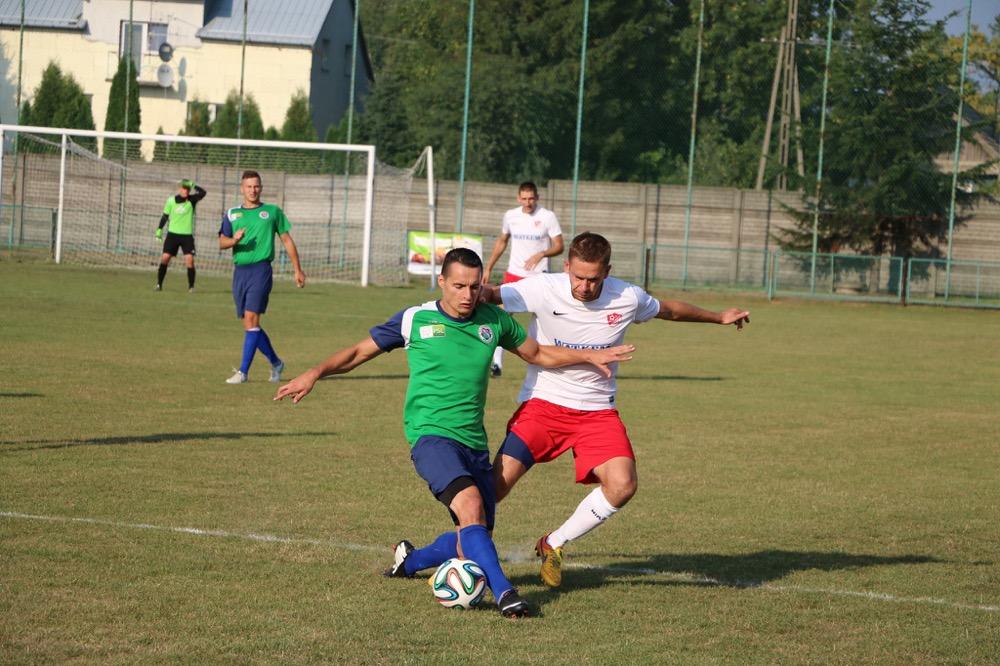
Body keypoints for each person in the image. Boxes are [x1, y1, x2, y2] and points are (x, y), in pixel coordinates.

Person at [274, 248, 633, 618]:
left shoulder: (493, 320)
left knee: (471, 540)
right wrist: (316, 372)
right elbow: (357, 352)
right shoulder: (416, 319)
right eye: (459, 285)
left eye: (475, 287)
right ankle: (506, 594)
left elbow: (538, 354)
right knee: (471, 508)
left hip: (474, 443)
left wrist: (588, 356)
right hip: (430, 437)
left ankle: (410, 562)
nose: (467, 295)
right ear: (441, 281)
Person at [481, 231, 750, 589]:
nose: (585, 286)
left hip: (597, 411)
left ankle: (554, 543)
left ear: (607, 271)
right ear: (566, 267)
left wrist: (718, 317)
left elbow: (668, 310)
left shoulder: (627, 296)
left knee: (622, 485)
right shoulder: (543, 287)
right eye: (578, 277)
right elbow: (490, 295)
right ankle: (459, 554)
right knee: (493, 487)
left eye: (594, 278)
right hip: (543, 404)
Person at [218, 170, 306, 385]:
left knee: (251, 320)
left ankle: (243, 372)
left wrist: (297, 269)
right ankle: (276, 363)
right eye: (249, 186)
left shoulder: (272, 212)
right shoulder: (232, 214)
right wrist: (234, 240)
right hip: (240, 272)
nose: (253, 190)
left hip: (261, 270)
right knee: (250, 325)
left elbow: (286, 240)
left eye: (256, 186)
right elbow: (222, 243)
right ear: (242, 188)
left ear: (261, 188)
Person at [482, 181, 564, 377]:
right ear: (519, 198)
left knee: (545, 320)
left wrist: (542, 254)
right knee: (501, 318)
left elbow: (559, 246)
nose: (528, 202)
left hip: (540, 278)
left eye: (531, 198)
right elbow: (502, 242)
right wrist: (488, 267)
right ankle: (496, 364)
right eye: (524, 198)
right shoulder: (511, 216)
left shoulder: (547, 217)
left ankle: (551, 361)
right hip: (514, 275)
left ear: (537, 197)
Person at [155, 179, 207, 292]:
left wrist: (193, 185)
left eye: (188, 189)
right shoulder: (171, 201)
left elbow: (203, 193)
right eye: (184, 188)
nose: (186, 191)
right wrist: (159, 229)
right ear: (180, 189)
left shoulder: (192, 200)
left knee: (190, 260)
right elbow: (165, 216)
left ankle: (191, 287)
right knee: (165, 258)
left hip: (186, 236)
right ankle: (159, 285)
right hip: (172, 235)